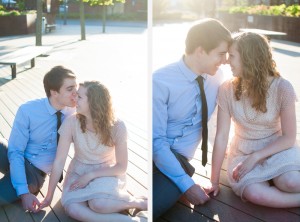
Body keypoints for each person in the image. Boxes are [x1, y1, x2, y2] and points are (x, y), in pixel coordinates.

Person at [207, 32, 300, 208]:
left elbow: (288, 137)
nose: (227, 61)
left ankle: (278, 179)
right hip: (243, 151)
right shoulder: (226, 89)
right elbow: (221, 137)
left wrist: (256, 157)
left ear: (249, 58)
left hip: (278, 147)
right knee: (254, 194)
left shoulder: (283, 88)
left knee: (292, 183)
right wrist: (214, 180)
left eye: (232, 56)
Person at [152, 18, 232, 219]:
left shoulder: (217, 77)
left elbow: (214, 124)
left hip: (179, 160)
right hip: (154, 153)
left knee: (153, 206)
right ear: (200, 51)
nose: (225, 60)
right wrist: (187, 185)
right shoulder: (160, 81)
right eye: (221, 54)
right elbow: (156, 142)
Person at [39, 81, 147, 221]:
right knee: (73, 209)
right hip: (78, 171)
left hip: (106, 171)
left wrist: (90, 175)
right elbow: (59, 161)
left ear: (94, 102)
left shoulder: (118, 126)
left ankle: (137, 202)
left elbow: (121, 166)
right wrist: (49, 195)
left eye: (80, 97)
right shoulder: (71, 122)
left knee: (99, 205)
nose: (74, 99)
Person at [0, 66, 77, 212]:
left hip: (34, 174)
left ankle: (15, 183)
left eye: (76, 87)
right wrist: (23, 193)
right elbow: (15, 151)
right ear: (54, 92)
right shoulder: (28, 110)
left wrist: (25, 192)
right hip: (15, 157)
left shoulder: (77, 113)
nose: (75, 93)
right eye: (69, 89)